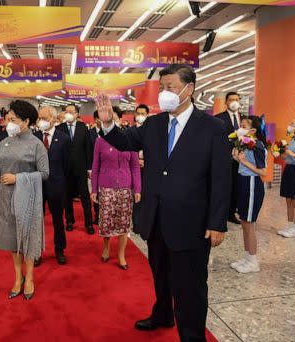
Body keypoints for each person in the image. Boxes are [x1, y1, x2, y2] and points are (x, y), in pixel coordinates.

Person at [96, 63, 230, 341]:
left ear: (188, 89)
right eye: (162, 88)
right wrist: (108, 122)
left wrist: (217, 222)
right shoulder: (155, 124)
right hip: (155, 218)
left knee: (190, 286)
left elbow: (221, 179)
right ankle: (162, 314)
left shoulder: (213, 128)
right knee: (160, 275)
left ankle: (192, 336)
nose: (164, 93)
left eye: (170, 87)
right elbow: (126, 141)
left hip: (191, 223)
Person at [0, 100, 49, 300]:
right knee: (13, 240)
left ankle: (30, 277)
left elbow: (44, 173)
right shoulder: (4, 143)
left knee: (28, 238)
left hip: (28, 199)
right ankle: (18, 277)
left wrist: (19, 178)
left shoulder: (36, 144)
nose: (8, 124)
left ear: (26, 121)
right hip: (6, 198)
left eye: (13, 120)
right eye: (7, 119)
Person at [90, 129, 141, 270]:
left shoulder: (130, 142)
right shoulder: (100, 141)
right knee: (106, 221)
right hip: (106, 187)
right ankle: (106, 247)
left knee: (123, 222)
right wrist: (94, 189)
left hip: (125, 187)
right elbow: (95, 166)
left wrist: (137, 189)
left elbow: (135, 167)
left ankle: (121, 254)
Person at [230, 116, 267, 274]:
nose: (240, 128)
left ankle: (253, 261)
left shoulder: (257, 145)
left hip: (252, 184)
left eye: (244, 126)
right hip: (243, 182)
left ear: (253, 130)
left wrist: (244, 162)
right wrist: (237, 159)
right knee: (244, 222)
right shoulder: (245, 144)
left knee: (249, 224)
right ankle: (247, 257)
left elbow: (263, 171)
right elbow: (244, 163)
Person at [35, 106, 71, 265]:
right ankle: (36, 251)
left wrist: (63, 184)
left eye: (44, 118)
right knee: (37, 220)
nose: (40, 121)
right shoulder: (34, 137)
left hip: (56, 185)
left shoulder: (63, 138)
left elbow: (67, 165)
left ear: (53, 119)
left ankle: (59, 248)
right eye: (39, 118)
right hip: (36, 185)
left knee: (57, 219)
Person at [57, 104, 94, 234]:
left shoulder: (83, 128)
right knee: (67, 197)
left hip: (81, 168)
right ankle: (70, 221)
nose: (68, 113)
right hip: (65, 169)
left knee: (84, 196)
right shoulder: (59, 128)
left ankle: (89, 223)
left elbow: (88, 149)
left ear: (77, 114)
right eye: (66, 111)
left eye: (71, 111)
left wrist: (89, 168)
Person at [215, 91, 243, 224]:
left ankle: (232, 212)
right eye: (231, 99)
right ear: (226, 102)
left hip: (241, 160)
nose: (234, 102)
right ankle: (222, 212)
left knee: (237, 186)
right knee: (224, 186)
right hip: (224, 158)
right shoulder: (218, 118)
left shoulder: (244, 119)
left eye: (237, 99)